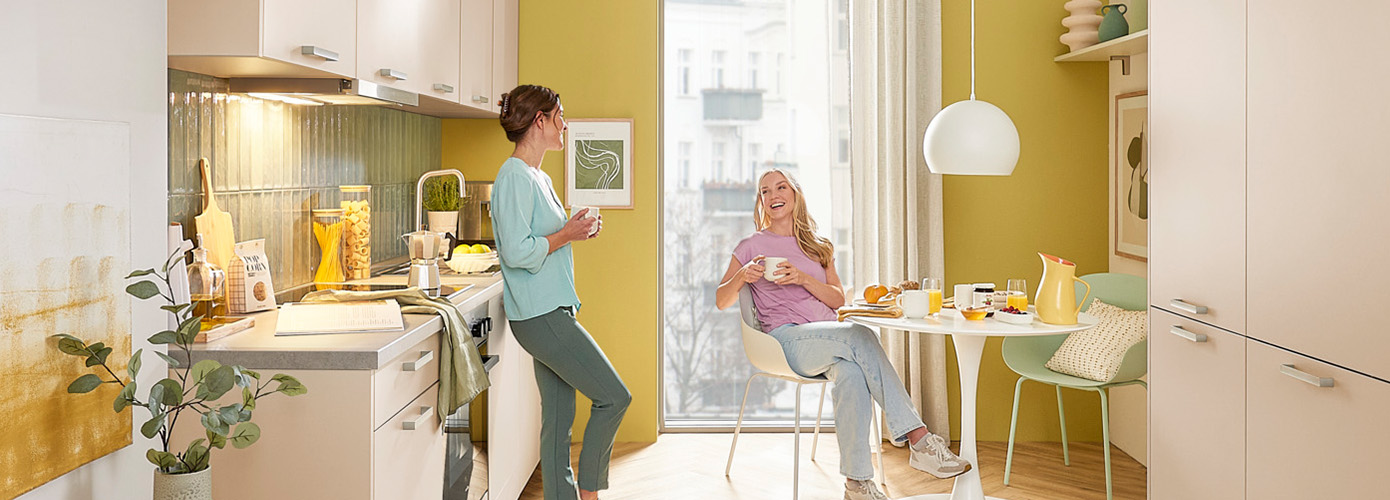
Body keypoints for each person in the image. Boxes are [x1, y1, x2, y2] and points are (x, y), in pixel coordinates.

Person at [715, 169, 970, 500]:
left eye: (781, 187)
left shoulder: (818, 247)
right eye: (765, 191)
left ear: (795, 194)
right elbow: (721, 301)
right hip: (784, 341)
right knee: (859, 334)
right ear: (761, 201)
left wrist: (803, 279)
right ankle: (919, 439)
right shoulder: (751, 246)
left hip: (828, 338)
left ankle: (857, 484)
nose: (773, 195)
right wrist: (742, 277)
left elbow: (838, 299)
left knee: (851, 373)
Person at [490, 84, 631, 500]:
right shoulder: (513, 175)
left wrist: (575, 231)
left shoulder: (538, 176)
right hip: (539, 314)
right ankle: (590, 494)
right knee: (614, 397)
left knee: (558, 418)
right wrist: (566, 231)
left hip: (551, 310)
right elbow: (516, 252)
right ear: (541, 121)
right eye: (560, 115)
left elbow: (544, 238)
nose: (565, 123)